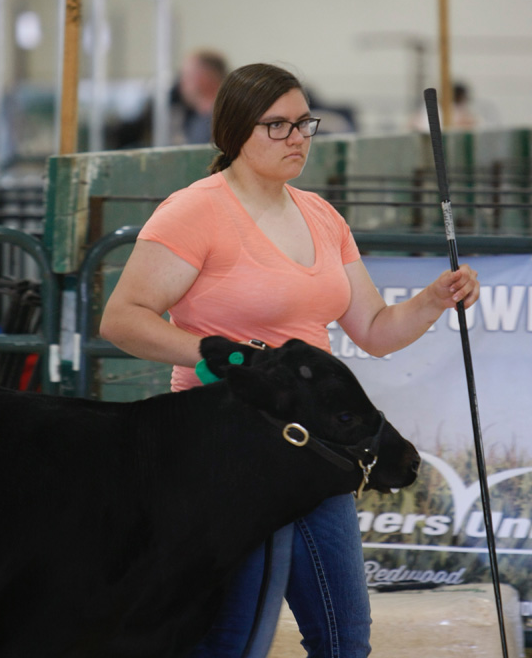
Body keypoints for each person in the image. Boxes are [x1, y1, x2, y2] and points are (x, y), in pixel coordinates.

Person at [100, 63, 480, 658]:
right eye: (277, 125)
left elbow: (375, 331)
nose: (297, 137)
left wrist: (433, 299)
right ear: (233, 133)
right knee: (229, 639)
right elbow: (122, 319)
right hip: (224, 445)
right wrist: (223, 357)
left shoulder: (322, 216)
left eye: (304, 123)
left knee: (344, 639)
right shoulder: (193, 211)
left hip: (314, 448)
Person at [169, 49, 229, 144]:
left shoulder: (227, 120)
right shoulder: (195, 120)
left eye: (187, 75)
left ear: (206, 77)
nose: (182, 83)